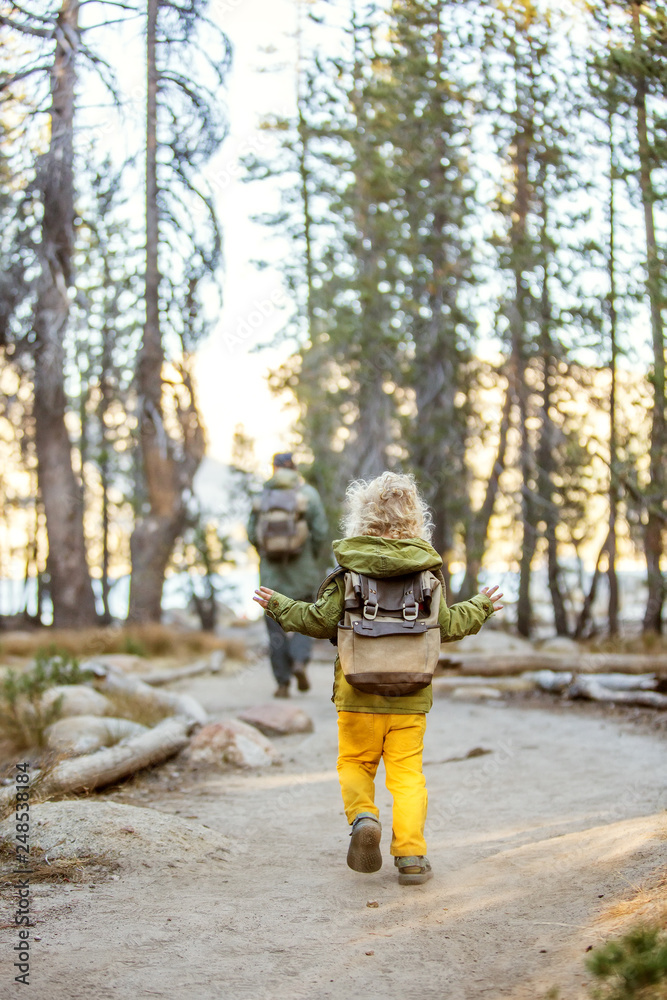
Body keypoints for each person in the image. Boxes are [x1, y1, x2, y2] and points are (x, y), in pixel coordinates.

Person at [253, 470, 503, 885]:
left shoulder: (347, 572)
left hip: (356, 691)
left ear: (362, 518)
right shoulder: (426, 575)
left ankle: (364, 817)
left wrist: (279, 605)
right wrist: (481, 606)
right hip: (411, 695)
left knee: (354, 762)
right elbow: (450, 626)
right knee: (407, 776)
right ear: (414, 520)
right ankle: (411, 858)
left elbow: (319, 622)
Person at [247, 452, 329, 698]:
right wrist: (309, 557)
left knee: (275, 628)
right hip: (302, 572)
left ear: (274, 468)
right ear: (294, 468)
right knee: (305, 619)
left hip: (271, 575)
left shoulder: (262, 496)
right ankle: (300, 662)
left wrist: (266, 553)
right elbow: (321, 531)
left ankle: (282, 683)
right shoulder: (309, 495)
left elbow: (252, 533)